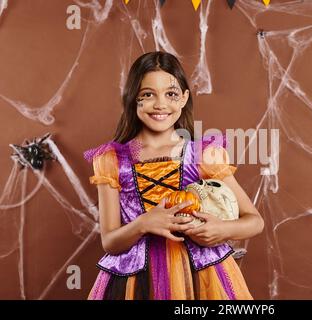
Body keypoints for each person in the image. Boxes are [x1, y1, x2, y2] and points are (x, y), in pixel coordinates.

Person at [83, 51, 264, 300]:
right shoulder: (112, 160)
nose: (160, 104)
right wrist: (144, 223)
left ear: (183, 99)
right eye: (147, 95)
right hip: (137, 280)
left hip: (202, 275)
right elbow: (110, 242)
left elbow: (254, 221)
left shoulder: (203, 154)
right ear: (133, 99)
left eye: (171, 94)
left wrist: (221, 229)